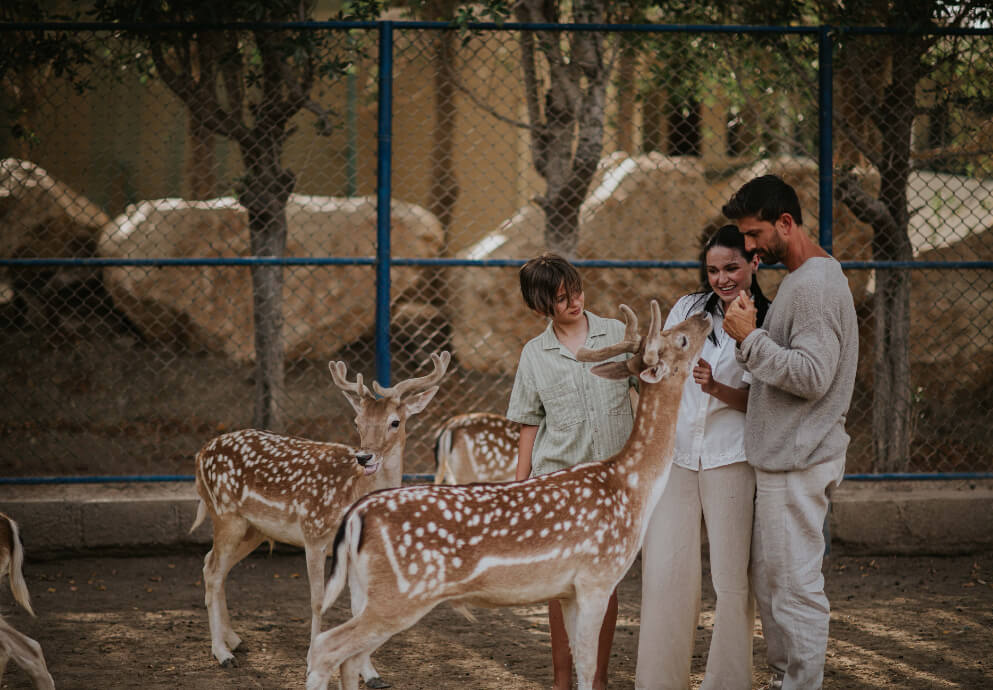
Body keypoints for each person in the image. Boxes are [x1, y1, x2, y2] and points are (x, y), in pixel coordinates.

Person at [721, 174, 859, 690]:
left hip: (799, 458)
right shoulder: (804, 281)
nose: (749, 246)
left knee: (793, 588)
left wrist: (750, 338)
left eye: (755, 234)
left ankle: (800, 683)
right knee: (776, 583)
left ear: (786, 223)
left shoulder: (815, 287)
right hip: (789, 455)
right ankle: (787, 680)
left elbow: (811, 375)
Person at [635, 224, 770, 690]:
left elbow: (763, 402)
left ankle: (727, 682)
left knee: (731, 580)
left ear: (754, 263)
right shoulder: (688, 309)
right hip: (678, 454)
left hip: (730, 456)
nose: (721, 278)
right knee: (665, 571)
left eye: (731, 267)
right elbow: (662, 365)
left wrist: (717, 388)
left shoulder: (766, 321)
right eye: (713, 270)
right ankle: (659, 682)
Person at [506, 252, 635, 690]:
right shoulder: (534, 355)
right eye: (561, 299)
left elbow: (648, 388)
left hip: (611, 487)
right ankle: (563, 679)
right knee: (563, 588)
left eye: (575, 291)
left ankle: (596, 679)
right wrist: (520, 487)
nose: (574, 302)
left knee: (605, 584)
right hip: (557, 484)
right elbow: (528, 422)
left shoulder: (616, 334)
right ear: (541, 306)